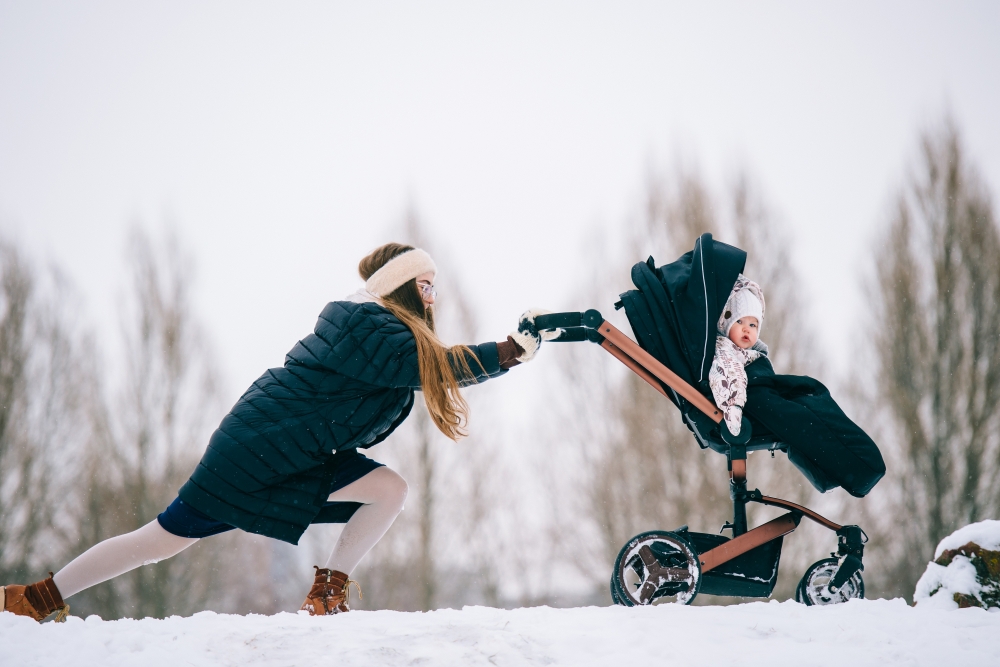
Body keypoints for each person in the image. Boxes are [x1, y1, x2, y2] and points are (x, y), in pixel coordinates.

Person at [2, 242, 550, 621]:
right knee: (161, 540)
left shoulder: (384, 331)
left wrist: (506, 356)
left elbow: (425, 365)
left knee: (387, 490)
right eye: (425, 287)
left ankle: (325, 595)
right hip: (255, 454)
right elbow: (424, 366)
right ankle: (36, 598)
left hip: (298, 453)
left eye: (435, 288)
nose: (433, 298)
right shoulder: (367, 324)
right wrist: (504, 353)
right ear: (399, 287)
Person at [708, 274, 767, 436]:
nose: (746, 328)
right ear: (725, 323)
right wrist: (733, 407)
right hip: (736, 409)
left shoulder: (755, 352)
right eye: (739, 321)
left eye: (753, 324)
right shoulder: (724, 348)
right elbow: (727, 375)